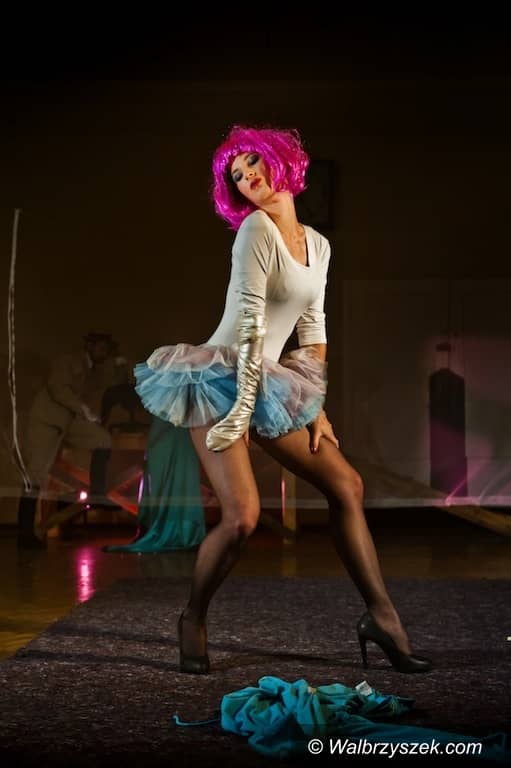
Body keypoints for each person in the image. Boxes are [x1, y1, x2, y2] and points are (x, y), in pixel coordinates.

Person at [134, 125, 432, 675]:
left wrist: (314, 406)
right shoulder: (254, 230)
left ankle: (382, 618)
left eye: (253, 164)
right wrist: (241, 411)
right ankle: (192, 617)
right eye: (237, 176)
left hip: (269, 381)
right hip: (219, 379)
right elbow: (250, 322)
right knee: (243, 517)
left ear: (281, 160)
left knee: (347, 485)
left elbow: (312, 330)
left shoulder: (318, 245)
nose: (247, 178)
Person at [17, 331, 129, 548]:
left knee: (103, 440)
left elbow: (113, 385)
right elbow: (57, 389)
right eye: (101, 347)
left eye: (107, 349)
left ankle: (98, 493)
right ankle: (25, 533)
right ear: (90, 345)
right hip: (47, 420)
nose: (104, 352)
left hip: (69, 420)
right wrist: (83, 410)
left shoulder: (95, 371)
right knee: (35, 474)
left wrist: (119, 364)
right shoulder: (68, 362)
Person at [102, 416, 206, 553]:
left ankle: (178, 528)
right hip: (171, 419)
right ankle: (154, 526)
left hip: (184, 421)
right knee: (159, 469)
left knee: (179, 471)